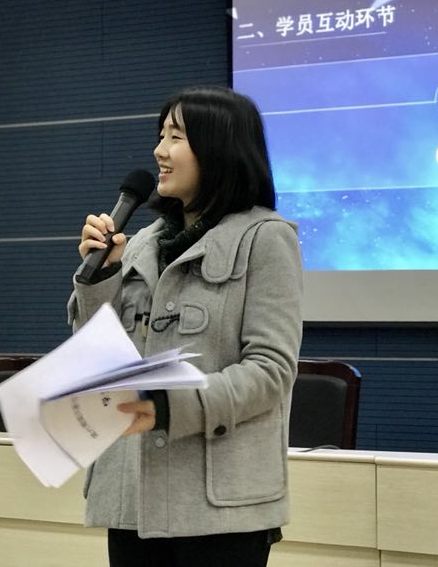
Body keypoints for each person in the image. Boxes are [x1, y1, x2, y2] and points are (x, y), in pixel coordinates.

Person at [68, 86, 303, 567]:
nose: (159, 150)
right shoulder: (139, 243)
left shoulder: (266, 239)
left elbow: (270, 371)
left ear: (218, 149)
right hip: (132, 499)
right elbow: (97, 362)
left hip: (219, 509)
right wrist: (101, 277)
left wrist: (167, 405)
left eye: (176, 137)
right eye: (161, 135)